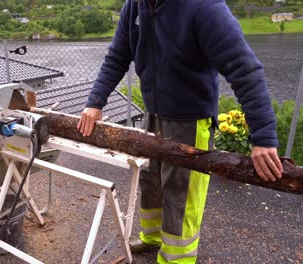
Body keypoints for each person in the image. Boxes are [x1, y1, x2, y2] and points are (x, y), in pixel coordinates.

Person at [77, 0, 283, 263]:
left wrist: (263, 137)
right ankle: (152, 237)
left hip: (190, 119)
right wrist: (95, 102)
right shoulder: (134, 6)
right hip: (153, 113)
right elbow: (117, 56)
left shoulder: (205, 7)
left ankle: (177, 257)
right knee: (150, 179)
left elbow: (245, 70)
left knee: (181, 192)